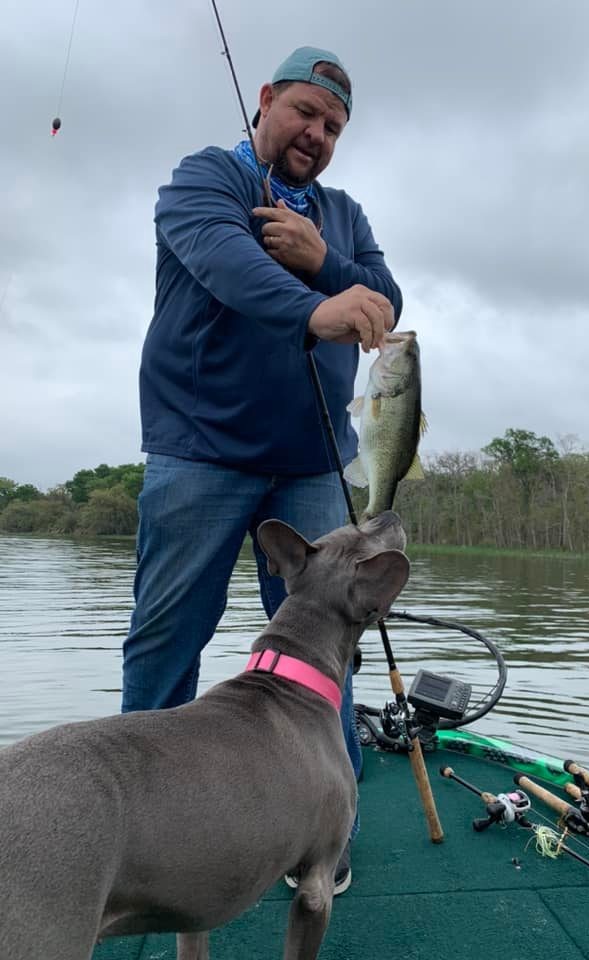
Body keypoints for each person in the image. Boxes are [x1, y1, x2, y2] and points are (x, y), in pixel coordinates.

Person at [122, 46, 403, 896]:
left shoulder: (344, 215)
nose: (315, 134)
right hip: (199, 451)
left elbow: (385, 300)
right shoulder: (204, 179)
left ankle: (328, 822)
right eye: (305, 113)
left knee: (329, 654)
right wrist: (315, 304)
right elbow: (222, 259)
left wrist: (326, 263)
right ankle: (144, 825)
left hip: (313, 465)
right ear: (267, 99)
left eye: (333, 127)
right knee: (169, 637)